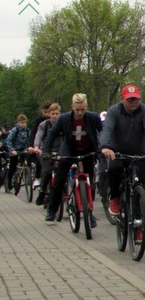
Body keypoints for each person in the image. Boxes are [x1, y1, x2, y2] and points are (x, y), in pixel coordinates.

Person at [99, 85, 145, 240]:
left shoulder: (144, 111)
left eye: (136, 99)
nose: (133, 102)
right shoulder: (114, 111)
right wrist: (105, 147)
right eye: (130, 100)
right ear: (122, 99)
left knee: (138, 189)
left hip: (138, 154)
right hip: (117, 153)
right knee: (114, 170)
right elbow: (107, 130)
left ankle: (137, 225)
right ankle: (115, 198)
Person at [42, 94, 103, 225]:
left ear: (86, 107)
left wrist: (104, 147)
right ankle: (52, 210)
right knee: (59, 180)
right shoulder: (64, 119)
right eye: (77, 110)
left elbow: (103, 131)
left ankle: (89, 214)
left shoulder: (93, 117)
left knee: (90, 182)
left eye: (83, 109)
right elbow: (52, 133)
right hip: (69, 152)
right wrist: (46, 151)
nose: (80, 113)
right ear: (72, 107)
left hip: (88, 152)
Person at [32, 103, 62, 206]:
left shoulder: (63, 124)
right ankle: (42, 191)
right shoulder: (44, 125)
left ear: (60, 114)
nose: (55, 116)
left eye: (57, 113)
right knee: (48, 172)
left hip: (60, 151)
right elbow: (38, 136)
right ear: (49, 114)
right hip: (45, 151)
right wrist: (36, 147)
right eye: (52, 113)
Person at [6, 114, 31, 189]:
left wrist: (29, 147)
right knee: (12, 167)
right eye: (22, 123)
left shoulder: (27, 130)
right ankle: (9, 180)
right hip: (14, 150)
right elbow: (9, 140)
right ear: (18, 122)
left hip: (23, 150)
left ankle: (27, 174)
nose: (24, 124)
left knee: (28, 160)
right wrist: (12, 150)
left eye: (25, 123)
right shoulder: (15, 130)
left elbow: (29, 140)